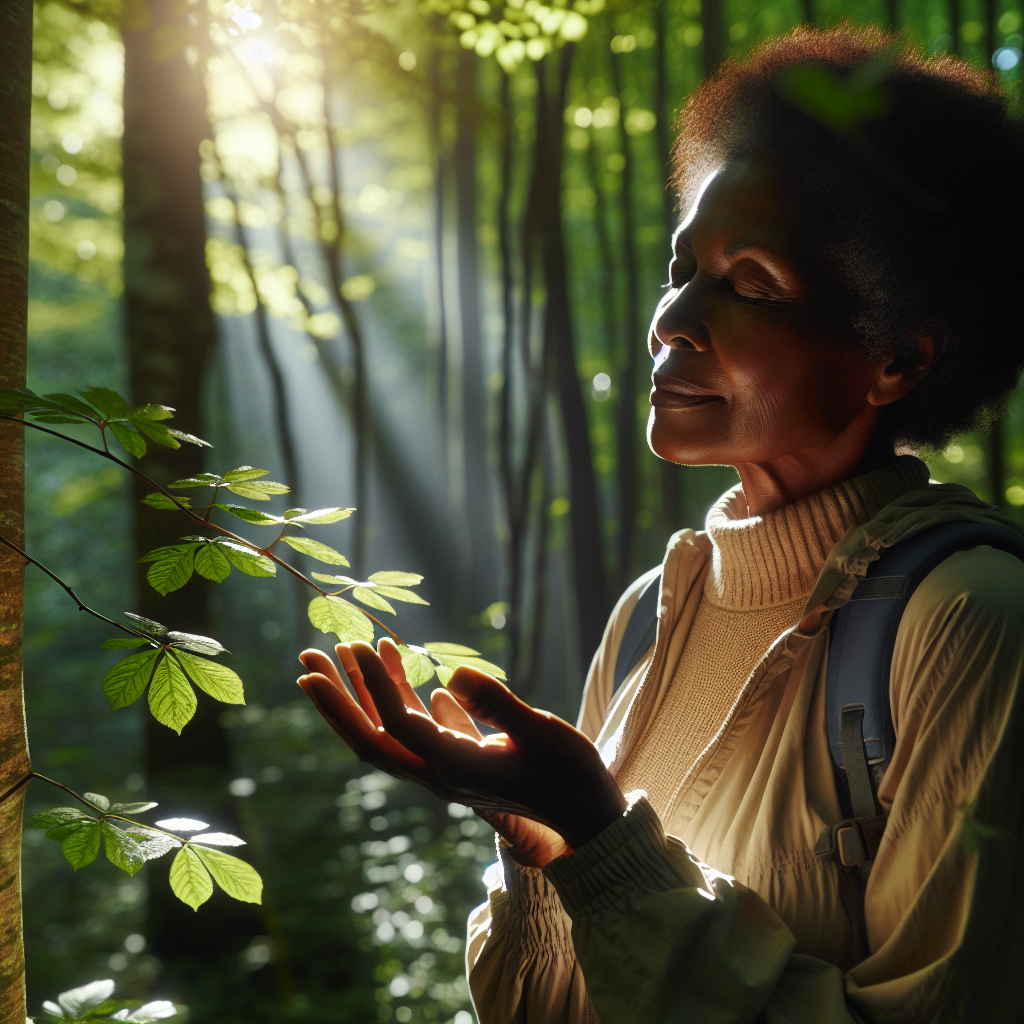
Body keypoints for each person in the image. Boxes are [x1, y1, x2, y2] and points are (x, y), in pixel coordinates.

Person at [297, 25, 1024, 1023]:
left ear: (893, 359)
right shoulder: (649, 611)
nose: (670, 318)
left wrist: (600, 837)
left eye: (748, 282)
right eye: (683, 267)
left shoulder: (976, 623)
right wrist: (539, 840)